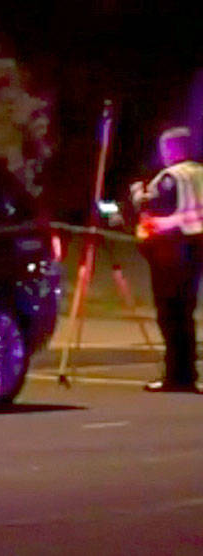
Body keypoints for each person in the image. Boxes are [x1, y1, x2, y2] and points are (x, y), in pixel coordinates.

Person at [131, 126, 203, 392]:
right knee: (185, 315)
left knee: (170, 315)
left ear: (172, 149)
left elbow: (156, 206)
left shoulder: (172, 177)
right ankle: (187, 374)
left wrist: (139, 195)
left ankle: (176, 376)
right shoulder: (199, 173)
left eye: (165, 148)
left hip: (172, 251)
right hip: (195, 248)